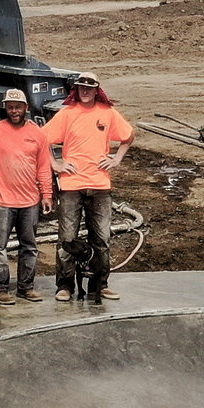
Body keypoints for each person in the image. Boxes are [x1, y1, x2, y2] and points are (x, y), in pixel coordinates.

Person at [44, 71, 131, 305]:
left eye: (89, 88)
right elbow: (43, 139)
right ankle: (64, 286)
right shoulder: (67, 113)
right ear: (76, 89)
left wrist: (116, 159)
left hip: (100, 185)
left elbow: (128, 136)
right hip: (71, 185)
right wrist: (56, 164)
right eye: (81, 87)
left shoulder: (107, 113)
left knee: (101, 238)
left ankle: (100, 285)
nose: (85, 91)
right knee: (68, 238)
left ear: (96, 90)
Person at [0, 87, 53, 303]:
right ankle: (0, 288)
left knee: (29, 246)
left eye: (18, 107)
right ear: (5, 108)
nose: (14, 111)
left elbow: (44, 167)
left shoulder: (37, 134)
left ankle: (26, 287)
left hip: (30, 201)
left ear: (26, 108)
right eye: (10, 107)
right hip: (2, 201)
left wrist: (47, 194)